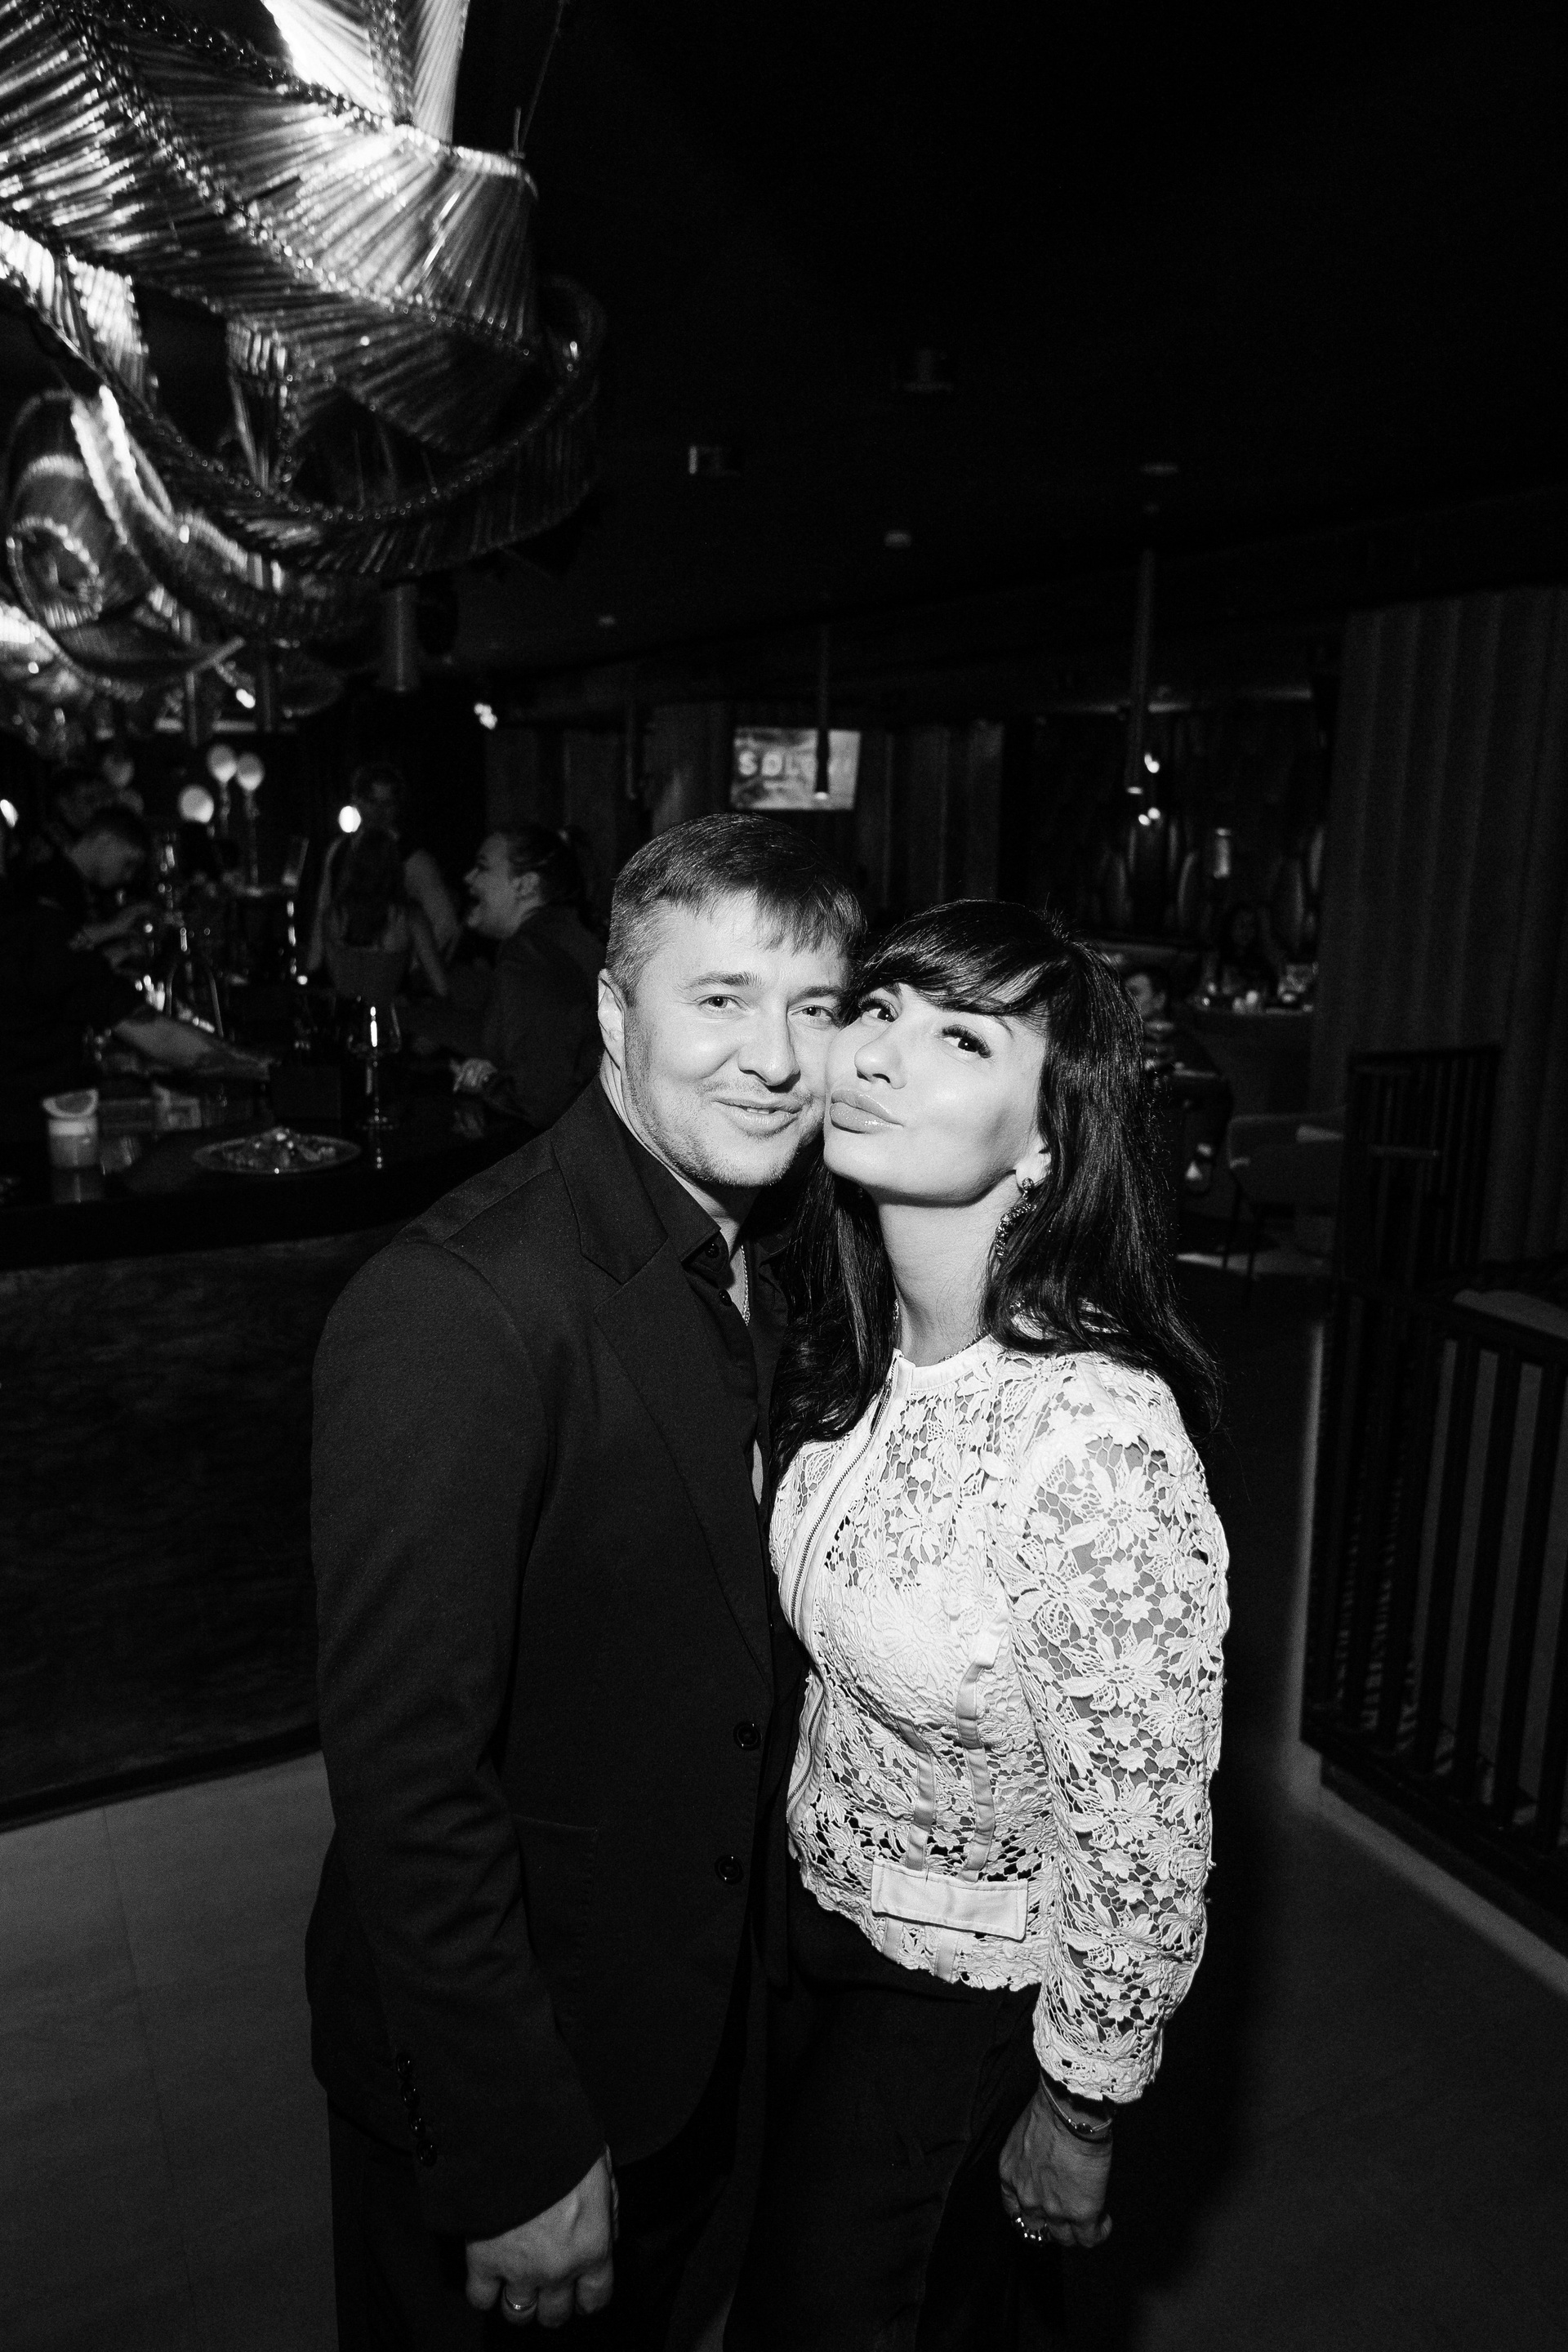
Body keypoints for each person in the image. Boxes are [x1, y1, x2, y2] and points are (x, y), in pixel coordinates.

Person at [306, 813, 862, 2349]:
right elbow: (406, 1774)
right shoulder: (458, 1307)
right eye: (720, 998)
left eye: (815, 1008)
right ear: (615, 1014)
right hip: (520, 2071)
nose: (775, 1058)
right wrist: (511, 2143)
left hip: (688, 2037)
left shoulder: (782, 1244)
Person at [725, 901, 1228, 2350]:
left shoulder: (1093, 1446)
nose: (879, 1053)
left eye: (960, 1039)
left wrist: (1080, 2111)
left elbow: (1142, 1836)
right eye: (879, 1010)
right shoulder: (856, 1345)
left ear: (1045, 1144)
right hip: (814, 1928)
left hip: (959, 1992)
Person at [405, 826, 606, 1129]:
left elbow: (540, 1100)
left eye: (482, 867)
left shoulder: (530, 954)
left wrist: (487, 1084)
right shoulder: (562, 936)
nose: (468, 878)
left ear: (526, 885)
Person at [310, 761, 463, 968]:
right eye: (372, 802)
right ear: (356, 800)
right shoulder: (338, 851)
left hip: (384, 974)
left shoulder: (414, 859)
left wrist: (407, 965)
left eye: (388, 804)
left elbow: (445, 923)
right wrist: (314, 968)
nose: (379, 812)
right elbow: (323, 911)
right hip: (345, 972)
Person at [320, 824, 448, 1008]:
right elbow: (441, 989)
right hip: (387, 1020)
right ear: (394, 866)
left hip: (345, 1020)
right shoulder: (409, 917)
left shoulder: (334, 915)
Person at [19, 800, 154, 960]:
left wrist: (125, 949)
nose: (128, 877)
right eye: (128, 864)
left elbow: (80, 962)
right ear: (105, 842)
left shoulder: (87, 889)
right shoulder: (49, 881)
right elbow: (54, 947)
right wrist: (113, 927)